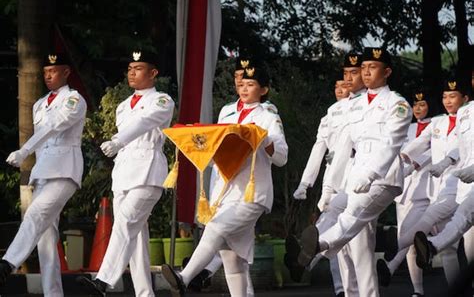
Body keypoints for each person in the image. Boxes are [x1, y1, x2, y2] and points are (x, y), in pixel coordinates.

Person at [161, 64, 288, 297]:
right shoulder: (227, 113)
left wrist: (263, 139)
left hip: (252, 194)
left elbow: (281, 156)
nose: (244, 88)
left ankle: (184, 278)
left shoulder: (268, 116)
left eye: (251, 85)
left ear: (264, 90)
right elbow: (216, 155)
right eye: (242, 84)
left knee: (215, 229)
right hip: (225, 192)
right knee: (233, 261)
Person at [297, 47, 412, 276]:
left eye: (373, 67)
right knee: (335, 207)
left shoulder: (397, 104)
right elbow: (342, 149)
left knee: (354, 213)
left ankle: (317, 246)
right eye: (364, 68)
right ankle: (306, 249)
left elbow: (390, 145)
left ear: (387, 71)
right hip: (354, 177)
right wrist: (331, 187)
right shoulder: (355, 105)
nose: (366, 72)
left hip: (383, 178)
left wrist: (370, 174)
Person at [78, 50, 174, 296]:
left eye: (139, 68)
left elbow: (146, 122)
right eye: (130, 68)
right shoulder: (121, 106)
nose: (132, 72)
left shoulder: (162, 100)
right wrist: (119, 145)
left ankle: (102, 281)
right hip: (123, 173)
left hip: (148, 171)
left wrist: (118, 140)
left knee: (125, 224)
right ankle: (144, 293)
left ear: (153, 73)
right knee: (136, 237)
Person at [1, 53, 87, 296]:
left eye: (54, 71)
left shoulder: (74, 100)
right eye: (45, 72)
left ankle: (7, 263)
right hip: (43, 172)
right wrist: (32, 162)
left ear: (66, 72)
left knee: (36, 215)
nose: (48, 76)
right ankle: (53, 293)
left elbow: (53, 127)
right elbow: (42, 139)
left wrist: (24, 150)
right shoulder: (39, 104)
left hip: (64, 171)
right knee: (46, 239)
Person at [379, 78, 468, 287]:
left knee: (432, 219)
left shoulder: (468, 121)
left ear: (464, 98)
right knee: (450, 250)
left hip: (461, 185)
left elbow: (457, 150)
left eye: (452, 96)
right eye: (445, 96)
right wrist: (400, 156)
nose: (448, 100)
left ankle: (397, 245)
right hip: (439, 189)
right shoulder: (438, 123)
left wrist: (445, 161)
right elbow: (421, 143)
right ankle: (454, 289)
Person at [291, 76, 351, 297]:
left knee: (349, 238)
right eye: (336, 86)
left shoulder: (361, 109)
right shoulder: (329, 116)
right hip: (333, 177)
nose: (340, 89)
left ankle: (305, 259)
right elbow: (319, 150)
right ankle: (341, 289)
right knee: (339, 241)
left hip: (355, 176)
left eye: (344, 85)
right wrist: (305, 183)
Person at [376, 91, 433, 296]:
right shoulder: (406, 128)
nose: (418, 109)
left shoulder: (438, 124)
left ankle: (391, 264)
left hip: (428, 186)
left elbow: (433, 152)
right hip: (405, 190)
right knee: (411, 244)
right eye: (415, 105)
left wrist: (414, 164)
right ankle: (417, 290)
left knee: (415, 237)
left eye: (423, 104)